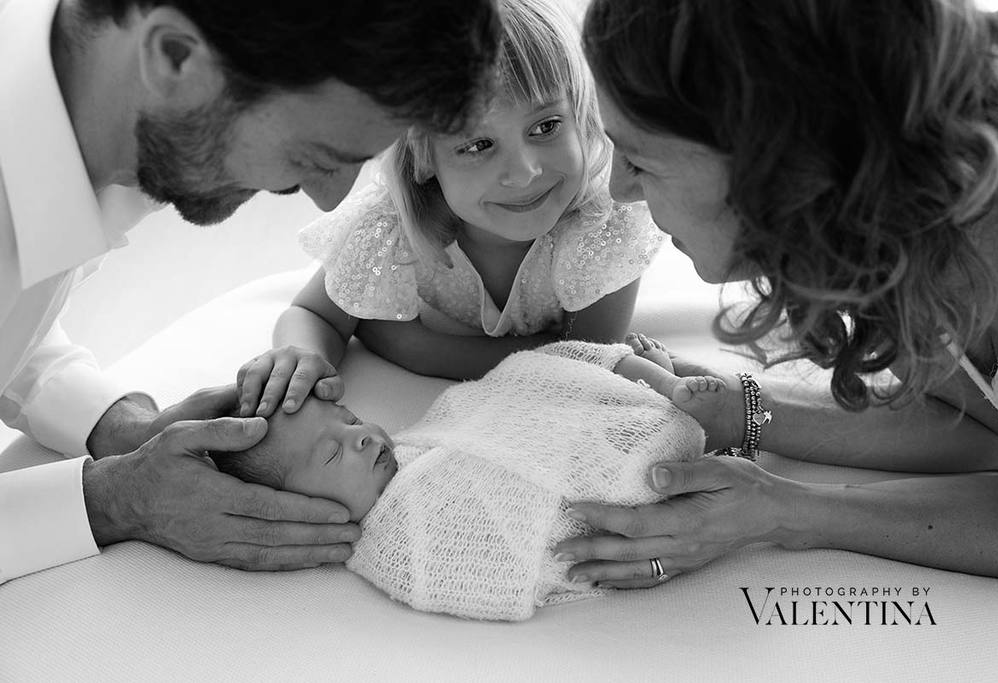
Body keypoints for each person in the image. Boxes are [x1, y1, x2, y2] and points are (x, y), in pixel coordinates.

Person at [0, 0, 501, 583]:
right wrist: (110, 500)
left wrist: (116, 424)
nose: (328, 200)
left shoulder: (87, 124)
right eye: (314, 155)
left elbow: (14, 325)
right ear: (176, 57)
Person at [550, 0, 998, 587]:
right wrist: (739, 411)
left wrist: (782, 510)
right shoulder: (894, 207)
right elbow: (991, 430)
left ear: (773, 157)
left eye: (641, 160)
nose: (618, 190)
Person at [234, 0, 663, 417]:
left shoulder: (602, 225)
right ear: (424, 159)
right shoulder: (390, 229)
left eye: (546, 126)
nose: (524, 172)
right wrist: (301, 356)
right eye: (478, 145)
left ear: (582, 116)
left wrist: (412, 347)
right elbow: (312, 314)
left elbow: (579, 367)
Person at [213, 339, 719, 620]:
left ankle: (643, 384)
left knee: (523, 371)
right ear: (299, 512)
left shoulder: (415, 443)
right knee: (625, 483)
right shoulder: (396, 546)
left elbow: (477, 408)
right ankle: (670, 417)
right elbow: (476, 570)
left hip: (551, 431)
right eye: (331, 454)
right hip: (582, 481)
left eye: (348, 420)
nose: (363, 437)